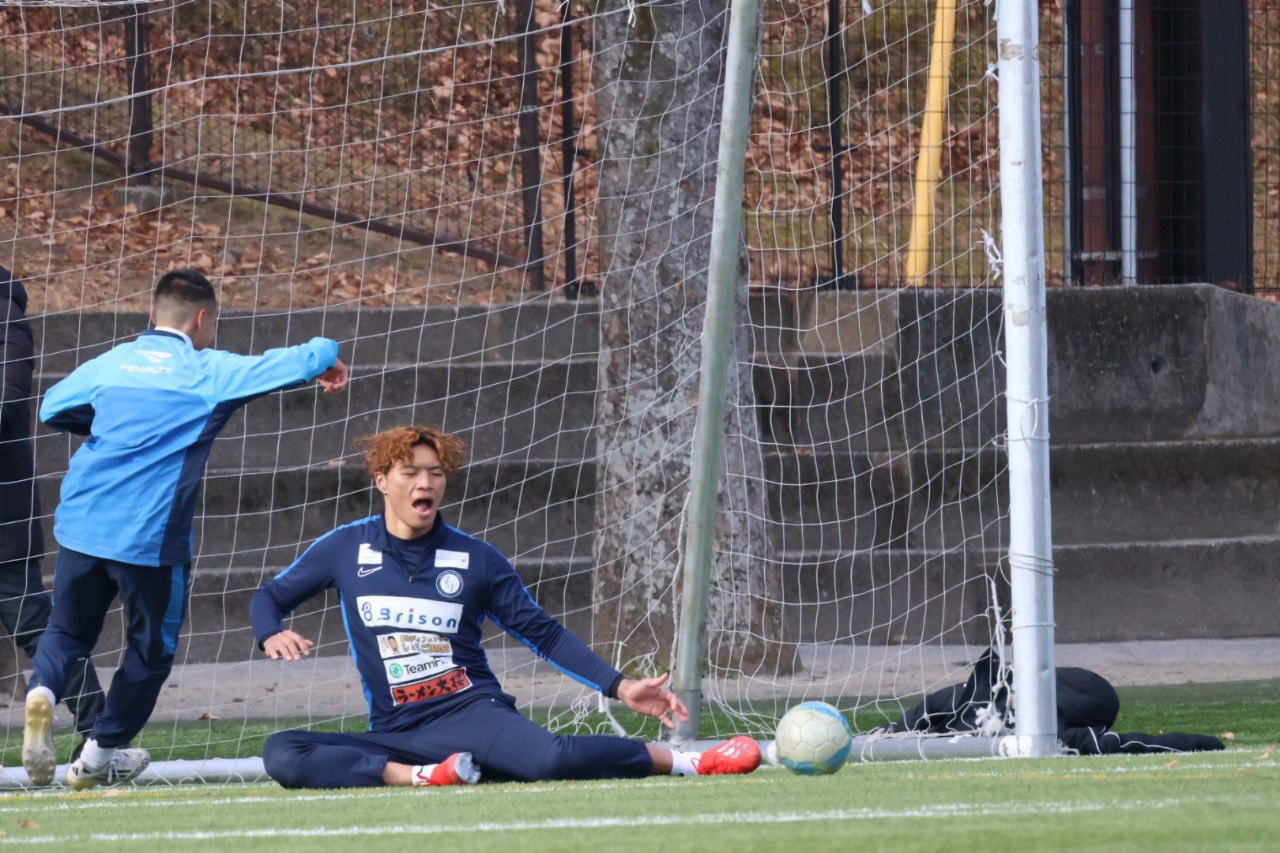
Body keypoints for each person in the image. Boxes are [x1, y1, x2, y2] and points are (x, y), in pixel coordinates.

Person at [251, 425, 762, 789]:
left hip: (471, 713)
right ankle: (424, 776)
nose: (425, 483)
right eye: (410, 472)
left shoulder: (477, 559)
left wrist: (621, 687)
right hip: (397, 732)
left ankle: (689, 762)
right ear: (382, 480)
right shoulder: (345, 548)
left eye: (435, 473)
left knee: (549, 761)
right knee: (284, 753)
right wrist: (270, 631)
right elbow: (270, 596)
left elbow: (544, 634)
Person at [22, 268, 349, 790]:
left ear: (152, 315)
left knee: (67, 632)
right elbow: (298, 360)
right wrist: (327, 357)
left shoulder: (111, 362)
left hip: (81, 525)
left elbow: (52, 408)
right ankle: (99, 757)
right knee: (150, 652)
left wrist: (112, 426)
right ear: (201, 319)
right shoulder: (208, 371)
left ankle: (41, 692)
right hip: (149, 539)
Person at [1, 266, 104, 756]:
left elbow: (8, 400)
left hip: (3, 513)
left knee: (33, 621)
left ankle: (101, 734)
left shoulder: (5, 310)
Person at [883, 647, 1226, 754]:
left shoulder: (1045, 734)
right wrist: (890, 733)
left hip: (1079, 691)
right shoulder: (1044, 735)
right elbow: (1119, 743)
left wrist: (889, 733)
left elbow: (1121, 743)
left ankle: (1031, 684)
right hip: (1082, 695)